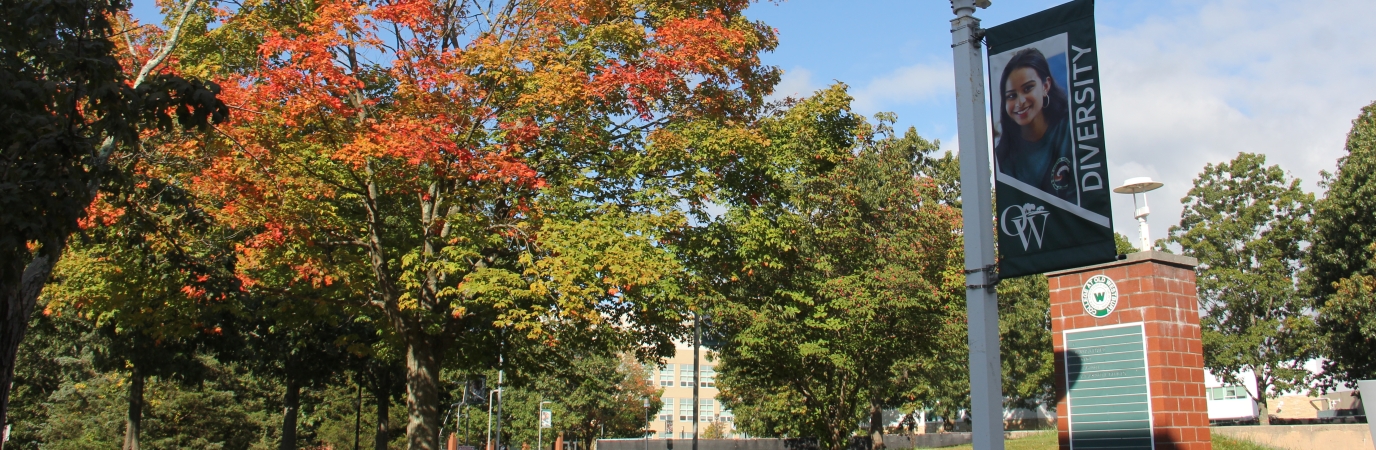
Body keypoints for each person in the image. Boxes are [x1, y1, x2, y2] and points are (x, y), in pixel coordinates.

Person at [993, 47, 1077, 204]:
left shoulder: (1070, 129)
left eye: (1028, 88)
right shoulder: (1004, 155)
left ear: (1045, 86)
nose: (1020, 102)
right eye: (1011, 96)